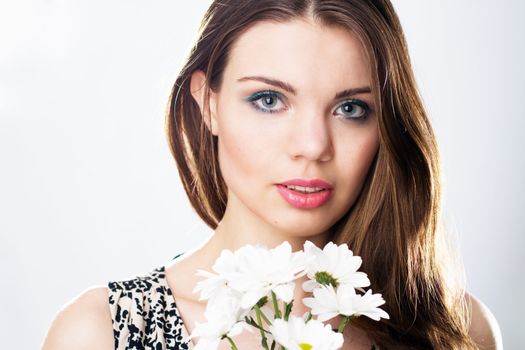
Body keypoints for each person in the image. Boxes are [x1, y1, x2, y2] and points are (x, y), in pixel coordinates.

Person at [42, 1, 503, 349]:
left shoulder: (458, 329)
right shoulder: (104, 332)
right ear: (208, 103)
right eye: (268, 100)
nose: (313, 146)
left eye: (350, 108)